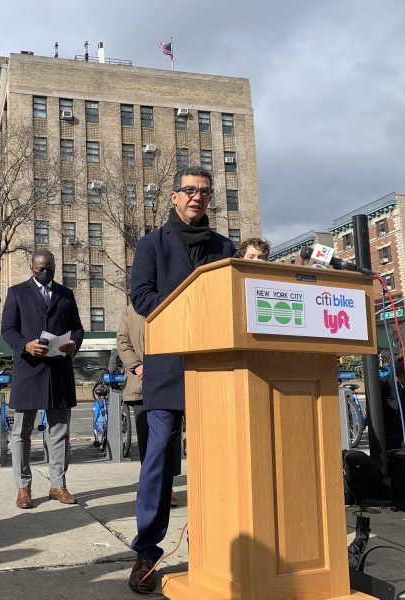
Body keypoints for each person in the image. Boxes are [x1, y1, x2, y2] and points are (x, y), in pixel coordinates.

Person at [128, 166, 236, 593]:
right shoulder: (152, 244)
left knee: (221, 461)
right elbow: (142, 297)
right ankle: (146, 552)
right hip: (168, 368)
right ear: (173, 197)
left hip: (217, 370)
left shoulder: (224, 246)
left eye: (204, 192)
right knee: (158, 461)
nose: (197, 197)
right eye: (189, 190)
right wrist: (192, 305)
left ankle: (219, 544)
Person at [1, 250, 84, 509]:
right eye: (40, 268)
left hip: (58, 372)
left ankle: (58, 485)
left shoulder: (66, 294)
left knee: (59, 431)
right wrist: (25, 346)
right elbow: (8, 329)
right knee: (21, 432)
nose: (45, 272)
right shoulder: (17, 292)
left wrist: (74, 343)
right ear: (32, 267)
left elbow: (78, 328)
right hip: (28, 370)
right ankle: (23, 487)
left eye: (50, 268)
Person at [117, 304, 181, 507]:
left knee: (170, 437)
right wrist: (137, 366)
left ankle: (168, 486)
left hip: (169, 380)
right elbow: (123, 341)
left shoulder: (169, 301)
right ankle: (153, 487)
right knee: (147, 439)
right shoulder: (130, 310)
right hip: (141, 384)